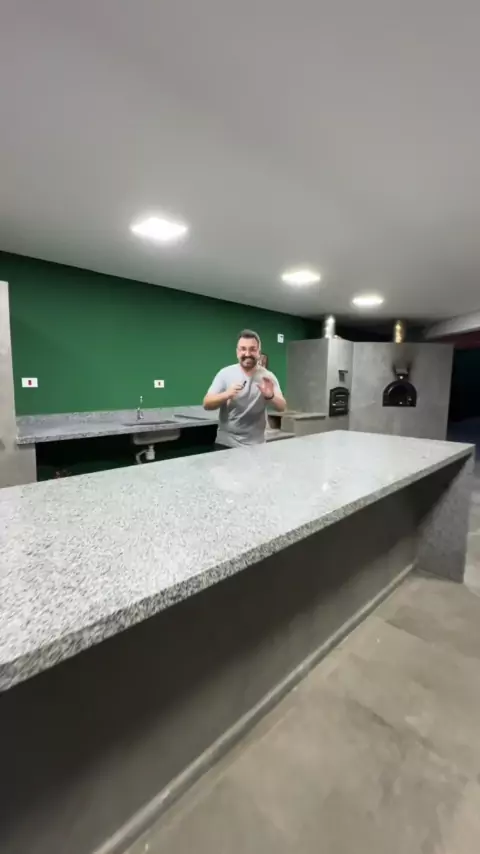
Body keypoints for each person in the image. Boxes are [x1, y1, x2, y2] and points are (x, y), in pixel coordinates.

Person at [203, 329, 286, 448]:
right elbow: (206, 404)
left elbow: (282, 407)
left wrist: (270, 396)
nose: (247, 353)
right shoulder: (225, 373)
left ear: (259, 352)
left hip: (257, 445)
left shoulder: (268, 377)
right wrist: (227, 394)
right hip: (226, 443)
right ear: (237, 352)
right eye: (243, 349)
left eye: (252, 349)